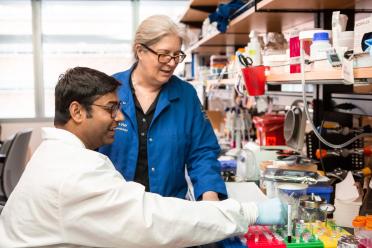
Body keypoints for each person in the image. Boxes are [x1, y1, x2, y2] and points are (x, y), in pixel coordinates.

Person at [0, 67, 286, 248]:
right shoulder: (75, 171)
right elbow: (154, 221)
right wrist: (248, 212)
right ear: (77, 112)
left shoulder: (53, 154)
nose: (120, 117)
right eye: (111, 108)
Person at [99, 15, 225, 201]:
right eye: (164, 54)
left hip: (168, 211)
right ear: (140, 51)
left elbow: (202, 152)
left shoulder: (186, 96)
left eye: (177, 55)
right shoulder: (109, 90)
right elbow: (88, 148)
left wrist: (210, 197)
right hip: (114, 208)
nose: (172, 62)